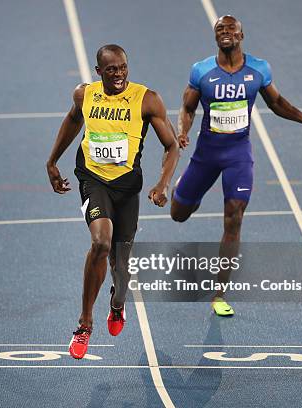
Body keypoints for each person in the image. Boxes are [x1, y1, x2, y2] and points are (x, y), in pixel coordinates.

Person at [170, 15, 302, 316]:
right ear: (215, 37)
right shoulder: (201, 71)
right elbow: (187, 107)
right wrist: (183, 131)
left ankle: (219, 292)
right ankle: (186, 190)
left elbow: (277, 104)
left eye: (230, 29)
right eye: (220, 30)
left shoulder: (259, 69)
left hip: (238, 153)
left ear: (241, 35)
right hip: (206, 155)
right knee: (178, 214)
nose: (225, 32)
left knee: (234, 216)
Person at [46, 44, 179, 359]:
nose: (118, 74)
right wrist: (52, 162)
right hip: (93, 179)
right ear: (98, 72)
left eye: (122, 68)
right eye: (111, 70)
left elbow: (172, 145)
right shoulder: (85, 95)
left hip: (127, 187)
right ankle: (84, 324)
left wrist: (162, 184)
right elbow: (72, 120)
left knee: (121, 268)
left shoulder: (147, 99)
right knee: (101, 243)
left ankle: (117, 304)